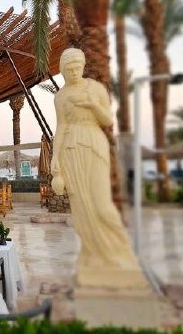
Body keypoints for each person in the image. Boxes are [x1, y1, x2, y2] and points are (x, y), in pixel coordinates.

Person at [51, 48, 147, 289]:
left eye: (77, 67)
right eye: (68, 69)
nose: (73, 72)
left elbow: (107, 120)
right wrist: (55, 158)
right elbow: (61, 127)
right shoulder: (60, 97)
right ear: (62, 70)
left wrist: (92, 104)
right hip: (70, 150)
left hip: (93, 144)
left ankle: (122, 253)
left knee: (102, 206)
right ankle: (94, 255)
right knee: (81, 210)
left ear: (83, 66)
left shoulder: (95, 88)